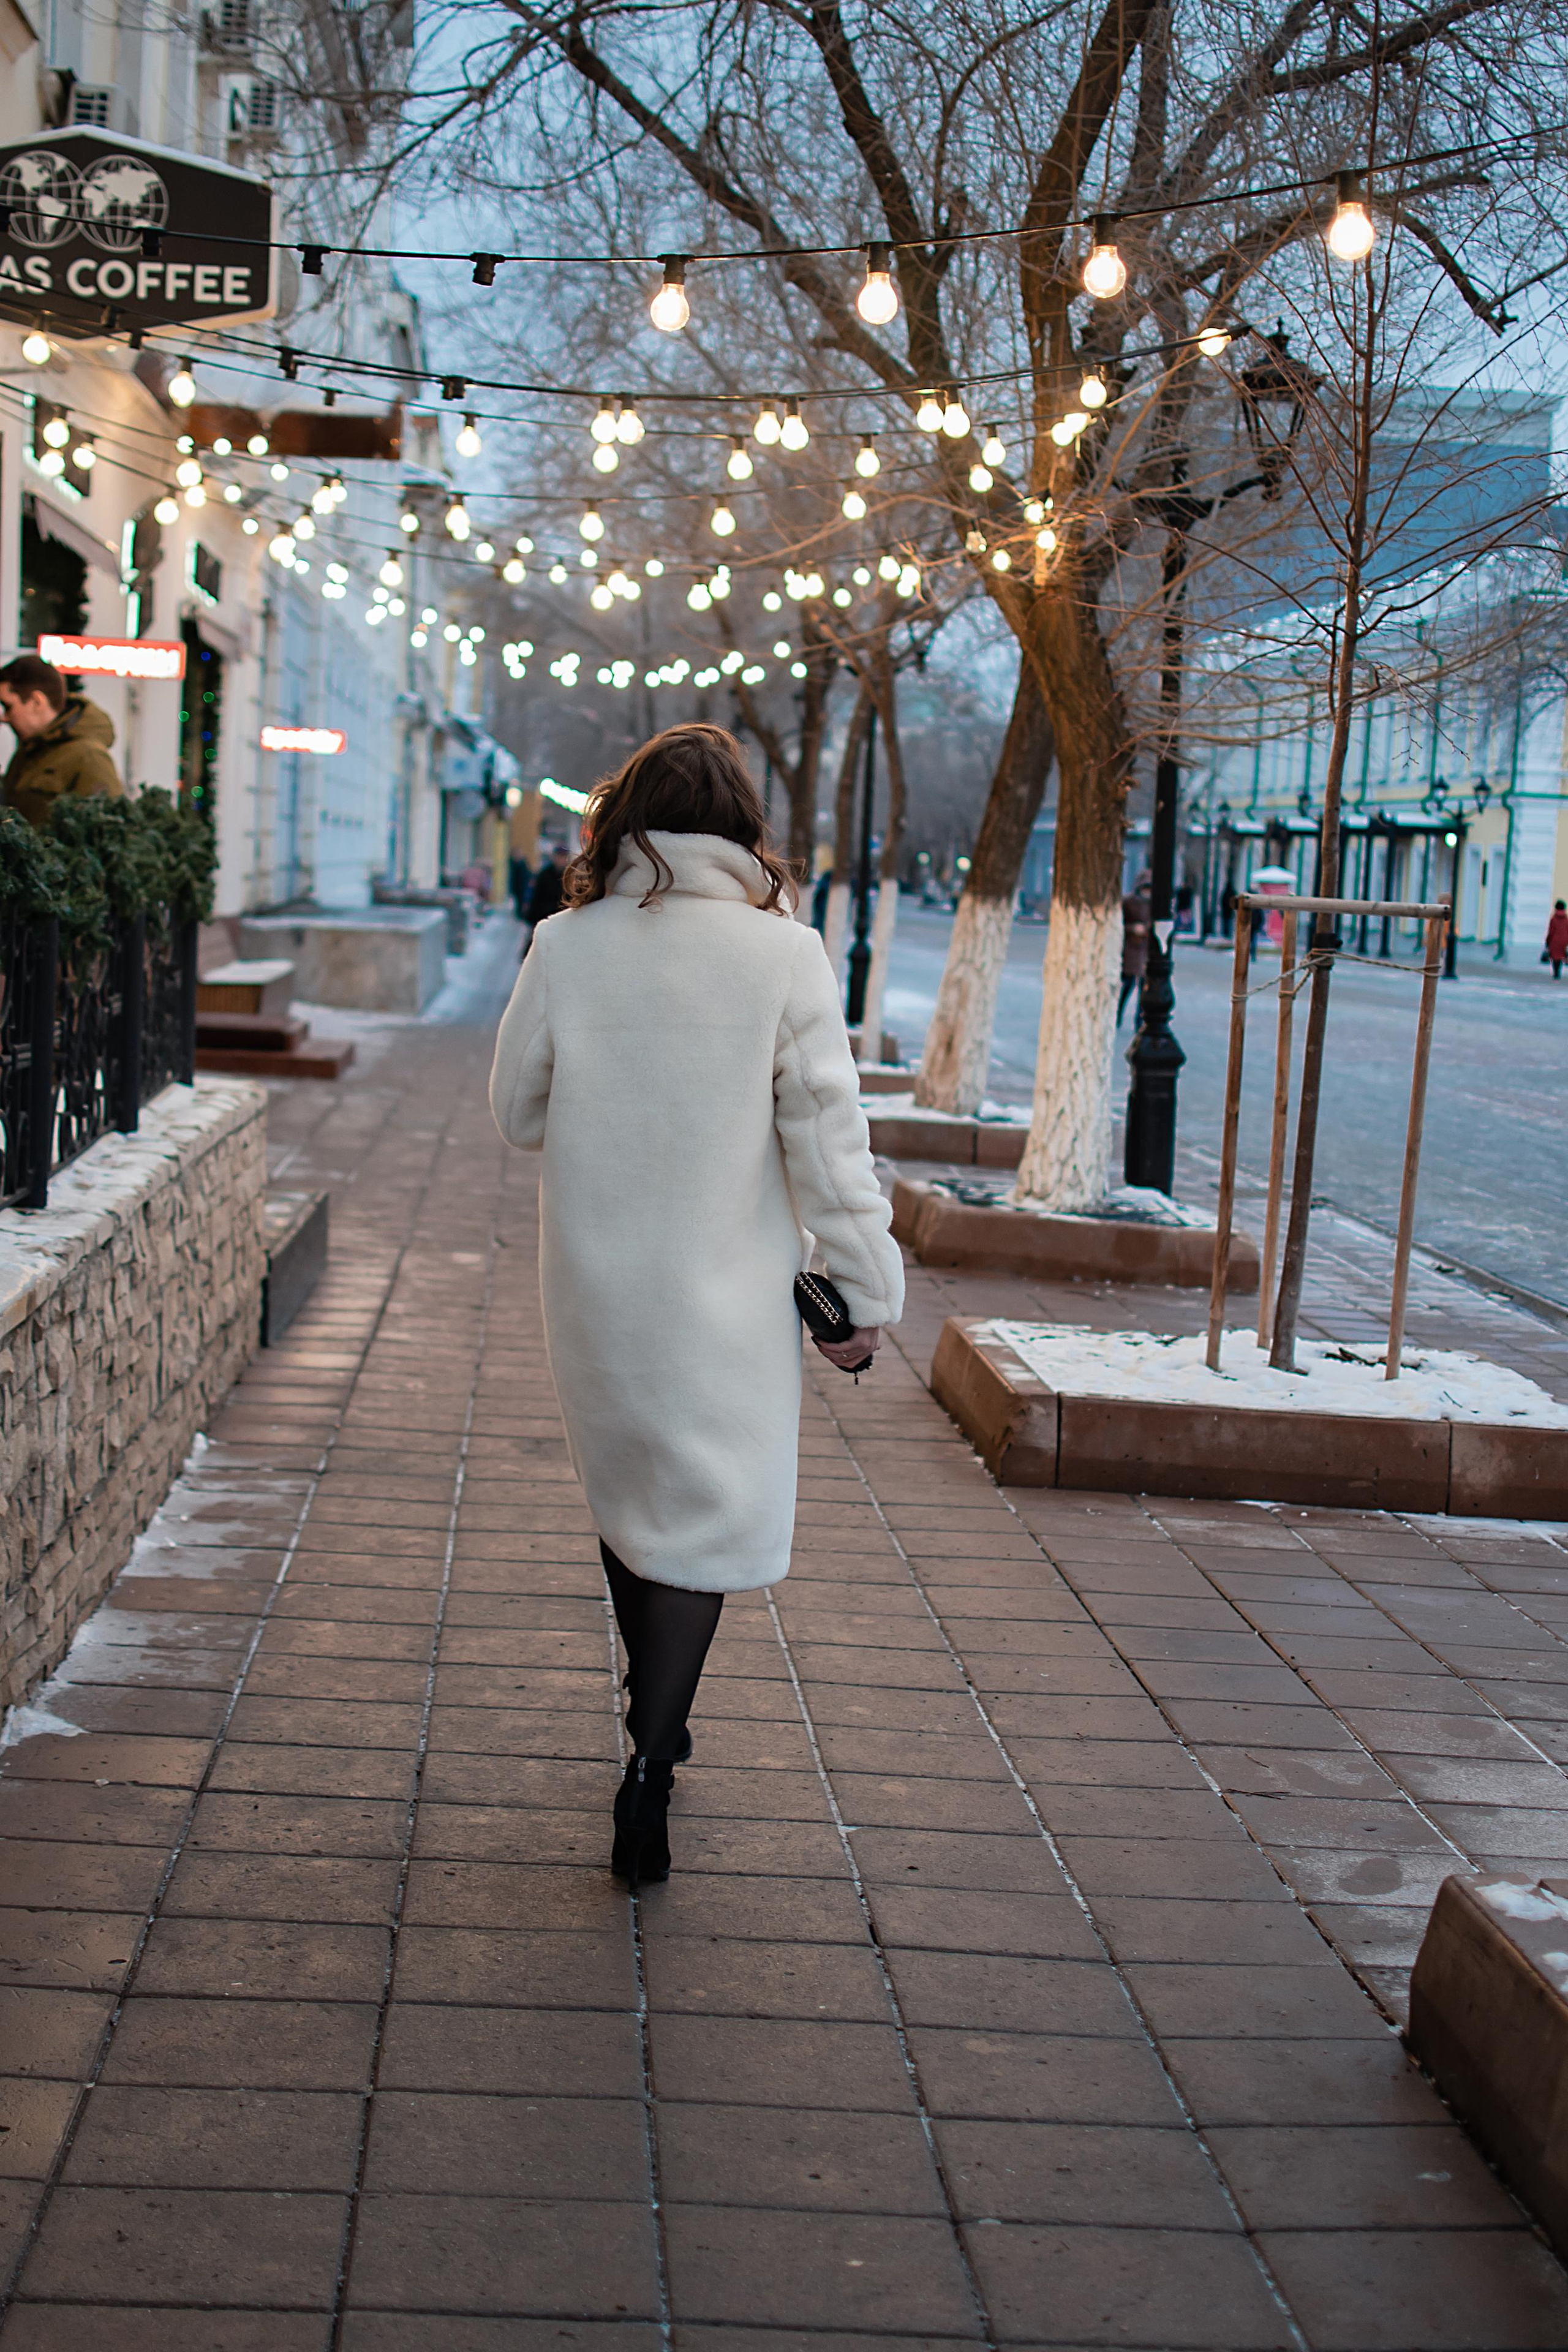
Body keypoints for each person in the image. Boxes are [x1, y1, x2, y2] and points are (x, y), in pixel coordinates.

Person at [490, 723, 904, 1887]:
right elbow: (830, 1140)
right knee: (702, 1519)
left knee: (633, 1499)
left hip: (599, 1285)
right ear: (741, 828)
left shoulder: (566, 946)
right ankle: (652, 1759)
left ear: (623, 818)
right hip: (728, 1292)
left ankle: (649, 1734)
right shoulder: (785, 956)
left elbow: (516, 1115)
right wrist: (863, 1293)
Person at [0, 653, 123, 828]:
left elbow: (108, 834)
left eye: (8, 706)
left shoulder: (89, 757)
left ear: (37, 702)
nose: (4, 718)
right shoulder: (28, 753)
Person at [1119, 869, 1151, 1023]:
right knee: (1128, 984)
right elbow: (1120, 924)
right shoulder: (1129, 902)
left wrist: (1147, 929)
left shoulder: (1154, 904)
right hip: (1131, 949)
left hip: (1146, 949)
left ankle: (1139, 1020)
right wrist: (1133, 929)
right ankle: (1118, 1013)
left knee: (1144, 988)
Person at [1547, 900, 1568, 979]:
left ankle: (1556, 972)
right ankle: (1558, 972)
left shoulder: (1554, 919)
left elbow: (1551, 931)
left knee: (1555, 956)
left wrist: (1548, 941)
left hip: (1555, 940)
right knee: (1561, 956)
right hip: (1564, 940)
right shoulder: (1566, 919)